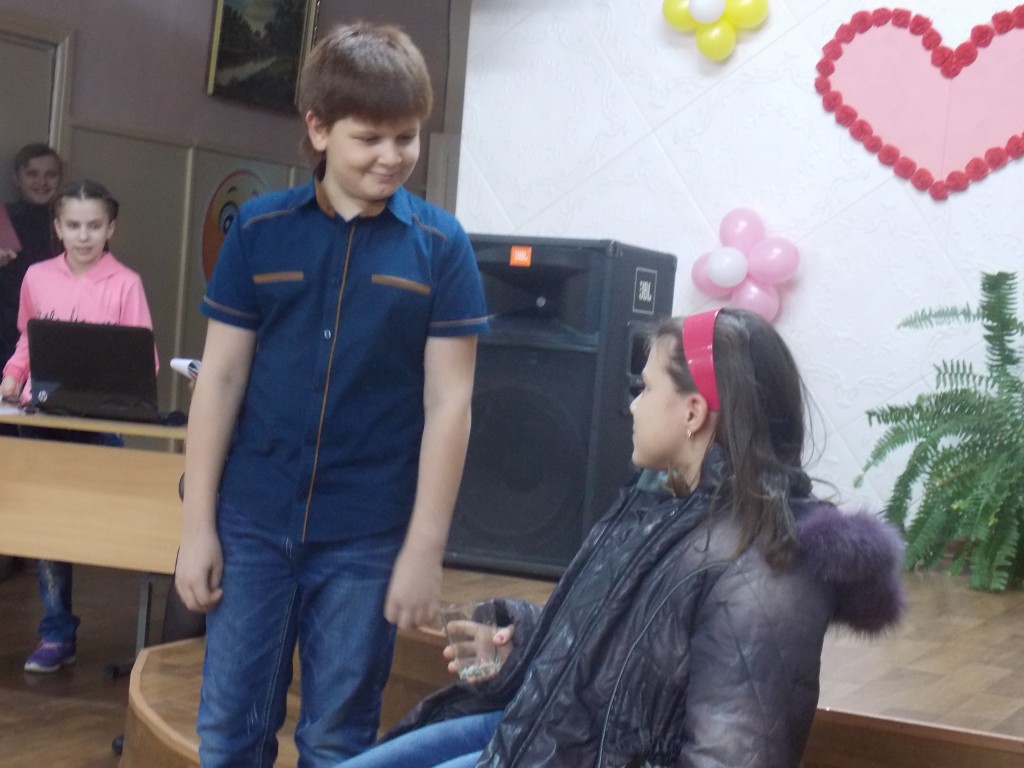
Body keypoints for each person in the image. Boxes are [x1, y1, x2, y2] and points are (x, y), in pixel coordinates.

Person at [338, 308, 907, 768]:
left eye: (646, 387)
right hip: (543, 736)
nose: (632, 405)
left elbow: (734, 755)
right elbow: (627, 664)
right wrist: (520, 646)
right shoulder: (659, 506)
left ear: (693, 413)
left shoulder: (764, 568)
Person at [174, 21, 488, 767]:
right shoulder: (259, 229)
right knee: (229, 731)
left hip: (367, 533)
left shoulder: (441, 246)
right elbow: (220, 379)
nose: (392, 156)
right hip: (251, 522)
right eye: (369, 138)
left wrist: (424, 549)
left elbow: (450, 404)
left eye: (406, 137)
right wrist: (197, 526)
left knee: (338, 738)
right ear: (318, 129)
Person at [0, 179, 156, 673]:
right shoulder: (36, 276)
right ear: (58, 228)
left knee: (109, 524)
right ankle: (57, 632)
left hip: (101, 417)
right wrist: (12, 375)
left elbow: (142, 360)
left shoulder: (126, 283)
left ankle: (143, 637)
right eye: (73, 225)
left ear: (110, 229)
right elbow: (28, 339)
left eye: (93, 226)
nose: (83, 235)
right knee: (49, 528)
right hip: (43, 414)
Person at [0, 144, 63, 437]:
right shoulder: (3, 216)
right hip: (5, 329)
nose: (42, 181)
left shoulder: (69, 221)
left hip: (53, 332)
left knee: (48, 424)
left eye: (50, 174)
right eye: (32, 174)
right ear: (17, 178)